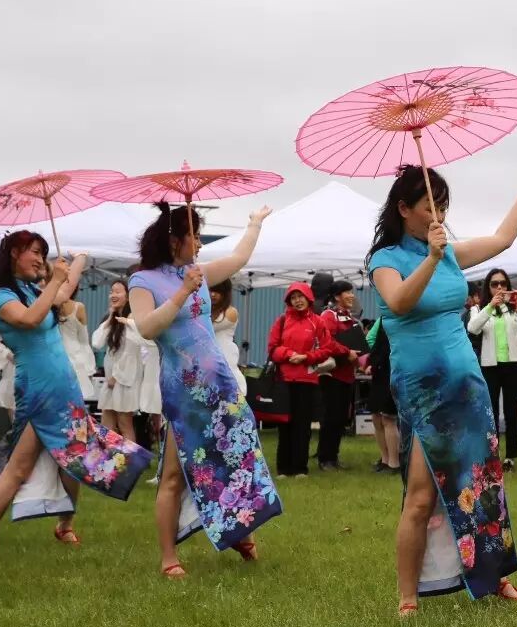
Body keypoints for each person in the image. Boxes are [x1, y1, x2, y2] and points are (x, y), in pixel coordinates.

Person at [368, 164, 517, 616]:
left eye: (444, 206)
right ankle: (408, 597)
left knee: (482, 482)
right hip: (423, 389)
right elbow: (399, 302)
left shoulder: (449, 252)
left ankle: (493, 575)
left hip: (467, 383)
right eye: (430, 206)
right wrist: (430, 258)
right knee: (421, 495)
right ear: (403, 208)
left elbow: (503, 238)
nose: (439, 214)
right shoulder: (385, 259)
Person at [128, 202, 281, 577]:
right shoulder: (143, 280)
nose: (198, 243)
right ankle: (168, 558)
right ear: (173, 240)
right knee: (173, 474)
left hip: (221, 384)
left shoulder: (197, 272)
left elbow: (239, 258)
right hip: (184, 392)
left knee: (237, 458)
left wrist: (254, 223)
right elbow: (147, 328)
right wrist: (182, 292)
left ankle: (240, 532)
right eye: (193, 235)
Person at [0, 232, 151, 549]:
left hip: (64, 385)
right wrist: (54, 280)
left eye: (43, 253)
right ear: (14, 253)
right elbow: (30, 318)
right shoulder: (1, 296)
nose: (40, 259)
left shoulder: (31, 290)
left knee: (74, 459)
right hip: (38, 389)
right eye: (35, 252)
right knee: (20, 466)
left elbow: (63, 292)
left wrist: (79, 259)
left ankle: (65, 525)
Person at [466, 269, 517, 471]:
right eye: (494, 284)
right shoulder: (479, 308)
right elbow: (473, 328)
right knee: (492, 412)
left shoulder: (515, 308)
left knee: (511, 411)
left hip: (513, 365)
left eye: (503, 283)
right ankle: (493, 455)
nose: (499, 287)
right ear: (487, 287)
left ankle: (511, 458)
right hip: (490, 365)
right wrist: (491, 306)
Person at [267, 282, 339, 477]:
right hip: (284, 380)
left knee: (302, 425)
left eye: (300, 297)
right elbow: (272, 349)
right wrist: (289, 354)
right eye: (293, 297)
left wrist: (306, 357)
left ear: (309, 298)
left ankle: (300, 468)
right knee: (284, 424)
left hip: (307, 381)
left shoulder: (318, 322)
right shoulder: (282, 320)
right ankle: (283, 468)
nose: (297, 301)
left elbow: (327, 349)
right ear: (289, 301)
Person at [319, 280, 365, 471]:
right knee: (331, 417)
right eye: (347, 292)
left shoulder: (349, 318)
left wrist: (360, 359)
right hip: (332, 375)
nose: (352, 296)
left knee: (340, 419)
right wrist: (347, 352)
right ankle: (325, 458)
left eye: (352, 292)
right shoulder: (328, 316)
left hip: (347, 374)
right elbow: (327, 341)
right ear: (337, 296)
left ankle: (333, 456)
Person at [93, 280, 144, 448]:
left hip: (125, 379)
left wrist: (116, 377)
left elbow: (131, 352)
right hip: (111, 379)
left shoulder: (132, 318)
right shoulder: (112, 319)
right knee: (106, 422)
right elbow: (97, 343)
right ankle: (106, 459)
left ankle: (131, 461)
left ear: (128, 296)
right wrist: (110, 316)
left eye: (117, 292)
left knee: (124, 423)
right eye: (111, 291)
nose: (113, 295)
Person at [364, 317, 401, 473]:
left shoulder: (401, 318)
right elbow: (372, 340)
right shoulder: (383, 318)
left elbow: (389, 347)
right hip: (379, 373)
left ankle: (394, 463)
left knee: (388, 418)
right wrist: (371, 363)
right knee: (376, 417)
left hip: (393, 371)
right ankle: (384, 459)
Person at [56, 295, 97, 403]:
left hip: (55, 359)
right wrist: (89, 368)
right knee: (74, 405)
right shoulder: (78, 307)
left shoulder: (45, 304)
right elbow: (84, 340)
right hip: (75, 360)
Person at [210, 279, 246, 396]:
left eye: (218, 291)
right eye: (210, 290)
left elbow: (206, 329)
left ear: (226, 293)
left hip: (226, 366)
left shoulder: (230, 312)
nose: (213, 294)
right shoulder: (205, 312)